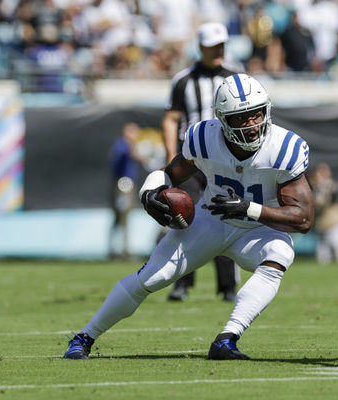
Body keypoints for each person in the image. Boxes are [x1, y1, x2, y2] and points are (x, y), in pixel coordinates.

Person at [63, 73, 314, 360]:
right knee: (152, 277)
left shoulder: (285, 147)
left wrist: (248, 208)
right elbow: (171, 172)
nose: (252, 124)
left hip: (258, 227)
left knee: (280, 253)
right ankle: (85, 336)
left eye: (256, 114)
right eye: (241, 118)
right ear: (222, 120)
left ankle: (227, 339)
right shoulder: (204, 138)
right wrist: (150, 191)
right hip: (212, 220)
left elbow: (303, 219)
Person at [162, 21, 239, 302]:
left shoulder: (235, 78)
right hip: (191, 159)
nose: (219, 50)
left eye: (221, 45)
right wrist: (172, 155)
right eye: (213, 46)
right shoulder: (183, 80)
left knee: (227, 215)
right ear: (202, 48)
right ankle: (182, 283)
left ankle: (228, 286)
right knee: (185, 217)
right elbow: (171, 119)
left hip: (225, 159)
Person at [309, 162, 338, 264]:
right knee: (323, 258)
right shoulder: (313, 188)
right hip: (321, 227)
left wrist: (320, 186)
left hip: (336, 226)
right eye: (320, 172)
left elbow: (324, 201)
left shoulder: (331, 185)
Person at [108, 122, 142, 259]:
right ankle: (124, 250)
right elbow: (130, 156)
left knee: (123, 216)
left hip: (128, 184)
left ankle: (117, 249)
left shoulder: (126, 145)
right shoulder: (123, 145)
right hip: (123, 185)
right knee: (122, 216)